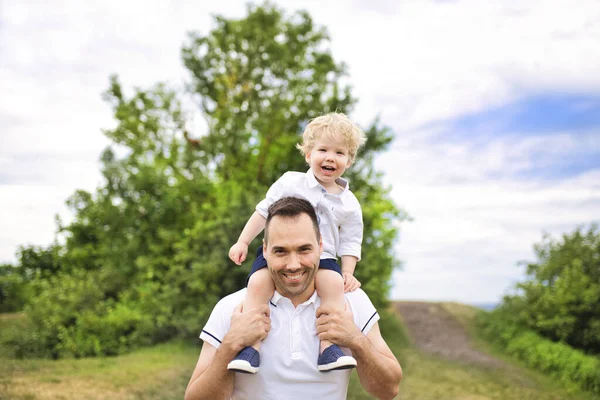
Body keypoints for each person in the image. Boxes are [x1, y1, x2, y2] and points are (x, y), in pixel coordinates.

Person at [184, 197, 402, 400]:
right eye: (281, 251)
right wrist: (231, 345)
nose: (294, 264)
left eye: (304, 249)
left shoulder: (352, 302)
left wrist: (356, 341)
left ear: (320, 246)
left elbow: (389, 389)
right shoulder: (231, 308)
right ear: (265, 250)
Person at [227, 112, 367, 374]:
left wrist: (348, 272)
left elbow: (350, 240)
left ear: (349, 160)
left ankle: (328, 347)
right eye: (322, 149)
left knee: (333, 286)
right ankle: (251, 348)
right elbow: (262, 211)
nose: (330, 157)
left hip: (323, 257)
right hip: (279, 252)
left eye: (339, 152)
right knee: (257, 284)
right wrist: (243, 241)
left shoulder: (349, 203)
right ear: (308, 155)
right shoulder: (291, 182)